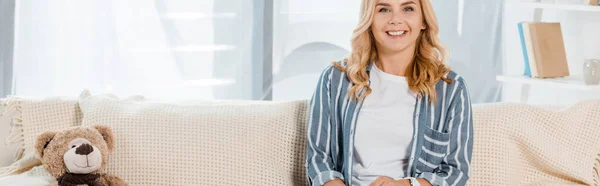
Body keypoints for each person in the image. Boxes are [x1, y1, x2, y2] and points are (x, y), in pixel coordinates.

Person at [304, 0, 473, 185]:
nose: (395, 19)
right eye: (384, 9)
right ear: (369, 19)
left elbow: (456, 172)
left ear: (423, 20)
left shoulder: (451, 88)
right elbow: (318, 160)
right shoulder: (335, 78)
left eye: (408, 8)